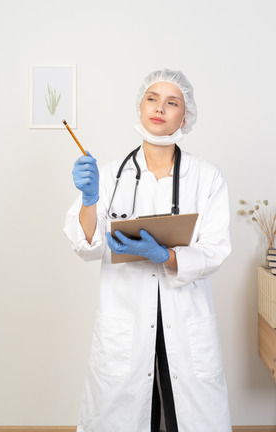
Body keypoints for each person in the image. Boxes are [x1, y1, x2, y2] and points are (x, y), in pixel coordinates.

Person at [63, 69, 232, 432]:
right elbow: (85, 246)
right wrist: (90, 201)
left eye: (172, 102)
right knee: (124, 414)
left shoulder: (207, 177)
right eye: (152, 99)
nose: (160, 108)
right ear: (140, 108)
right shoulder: (108, 176)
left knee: (187, 412)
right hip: (126, 320)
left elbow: (216, 250)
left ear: (184, 117)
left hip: (185, 319)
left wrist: (166, 256)